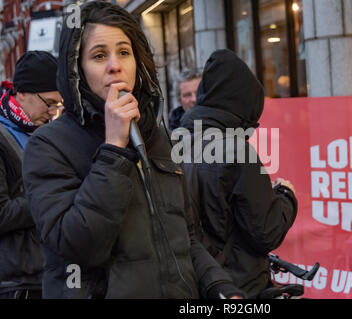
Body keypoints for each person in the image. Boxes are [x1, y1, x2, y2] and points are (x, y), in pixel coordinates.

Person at [22, 1, 244, 299]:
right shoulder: (48, 144)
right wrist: (114, 149)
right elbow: (76, 247)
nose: (115, 65)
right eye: (99, 55)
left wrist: (222, 289)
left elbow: (186, 238)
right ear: (77, 69)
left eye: (124, 52)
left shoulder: (157, 136)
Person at [180, 49, 298, 298]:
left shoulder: (178, 141)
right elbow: (267, 231)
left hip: (199, 283)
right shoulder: (236, 150)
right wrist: (287, 195)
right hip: (239, 286)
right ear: (245, 103)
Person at [0, 50, 62, 299]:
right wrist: (50, 199)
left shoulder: (46, 133)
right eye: (49, 103)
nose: (53, 111)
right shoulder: (3, 138)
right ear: (22, 93)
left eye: (59, 104)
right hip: (17, 282)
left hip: (49, 273)